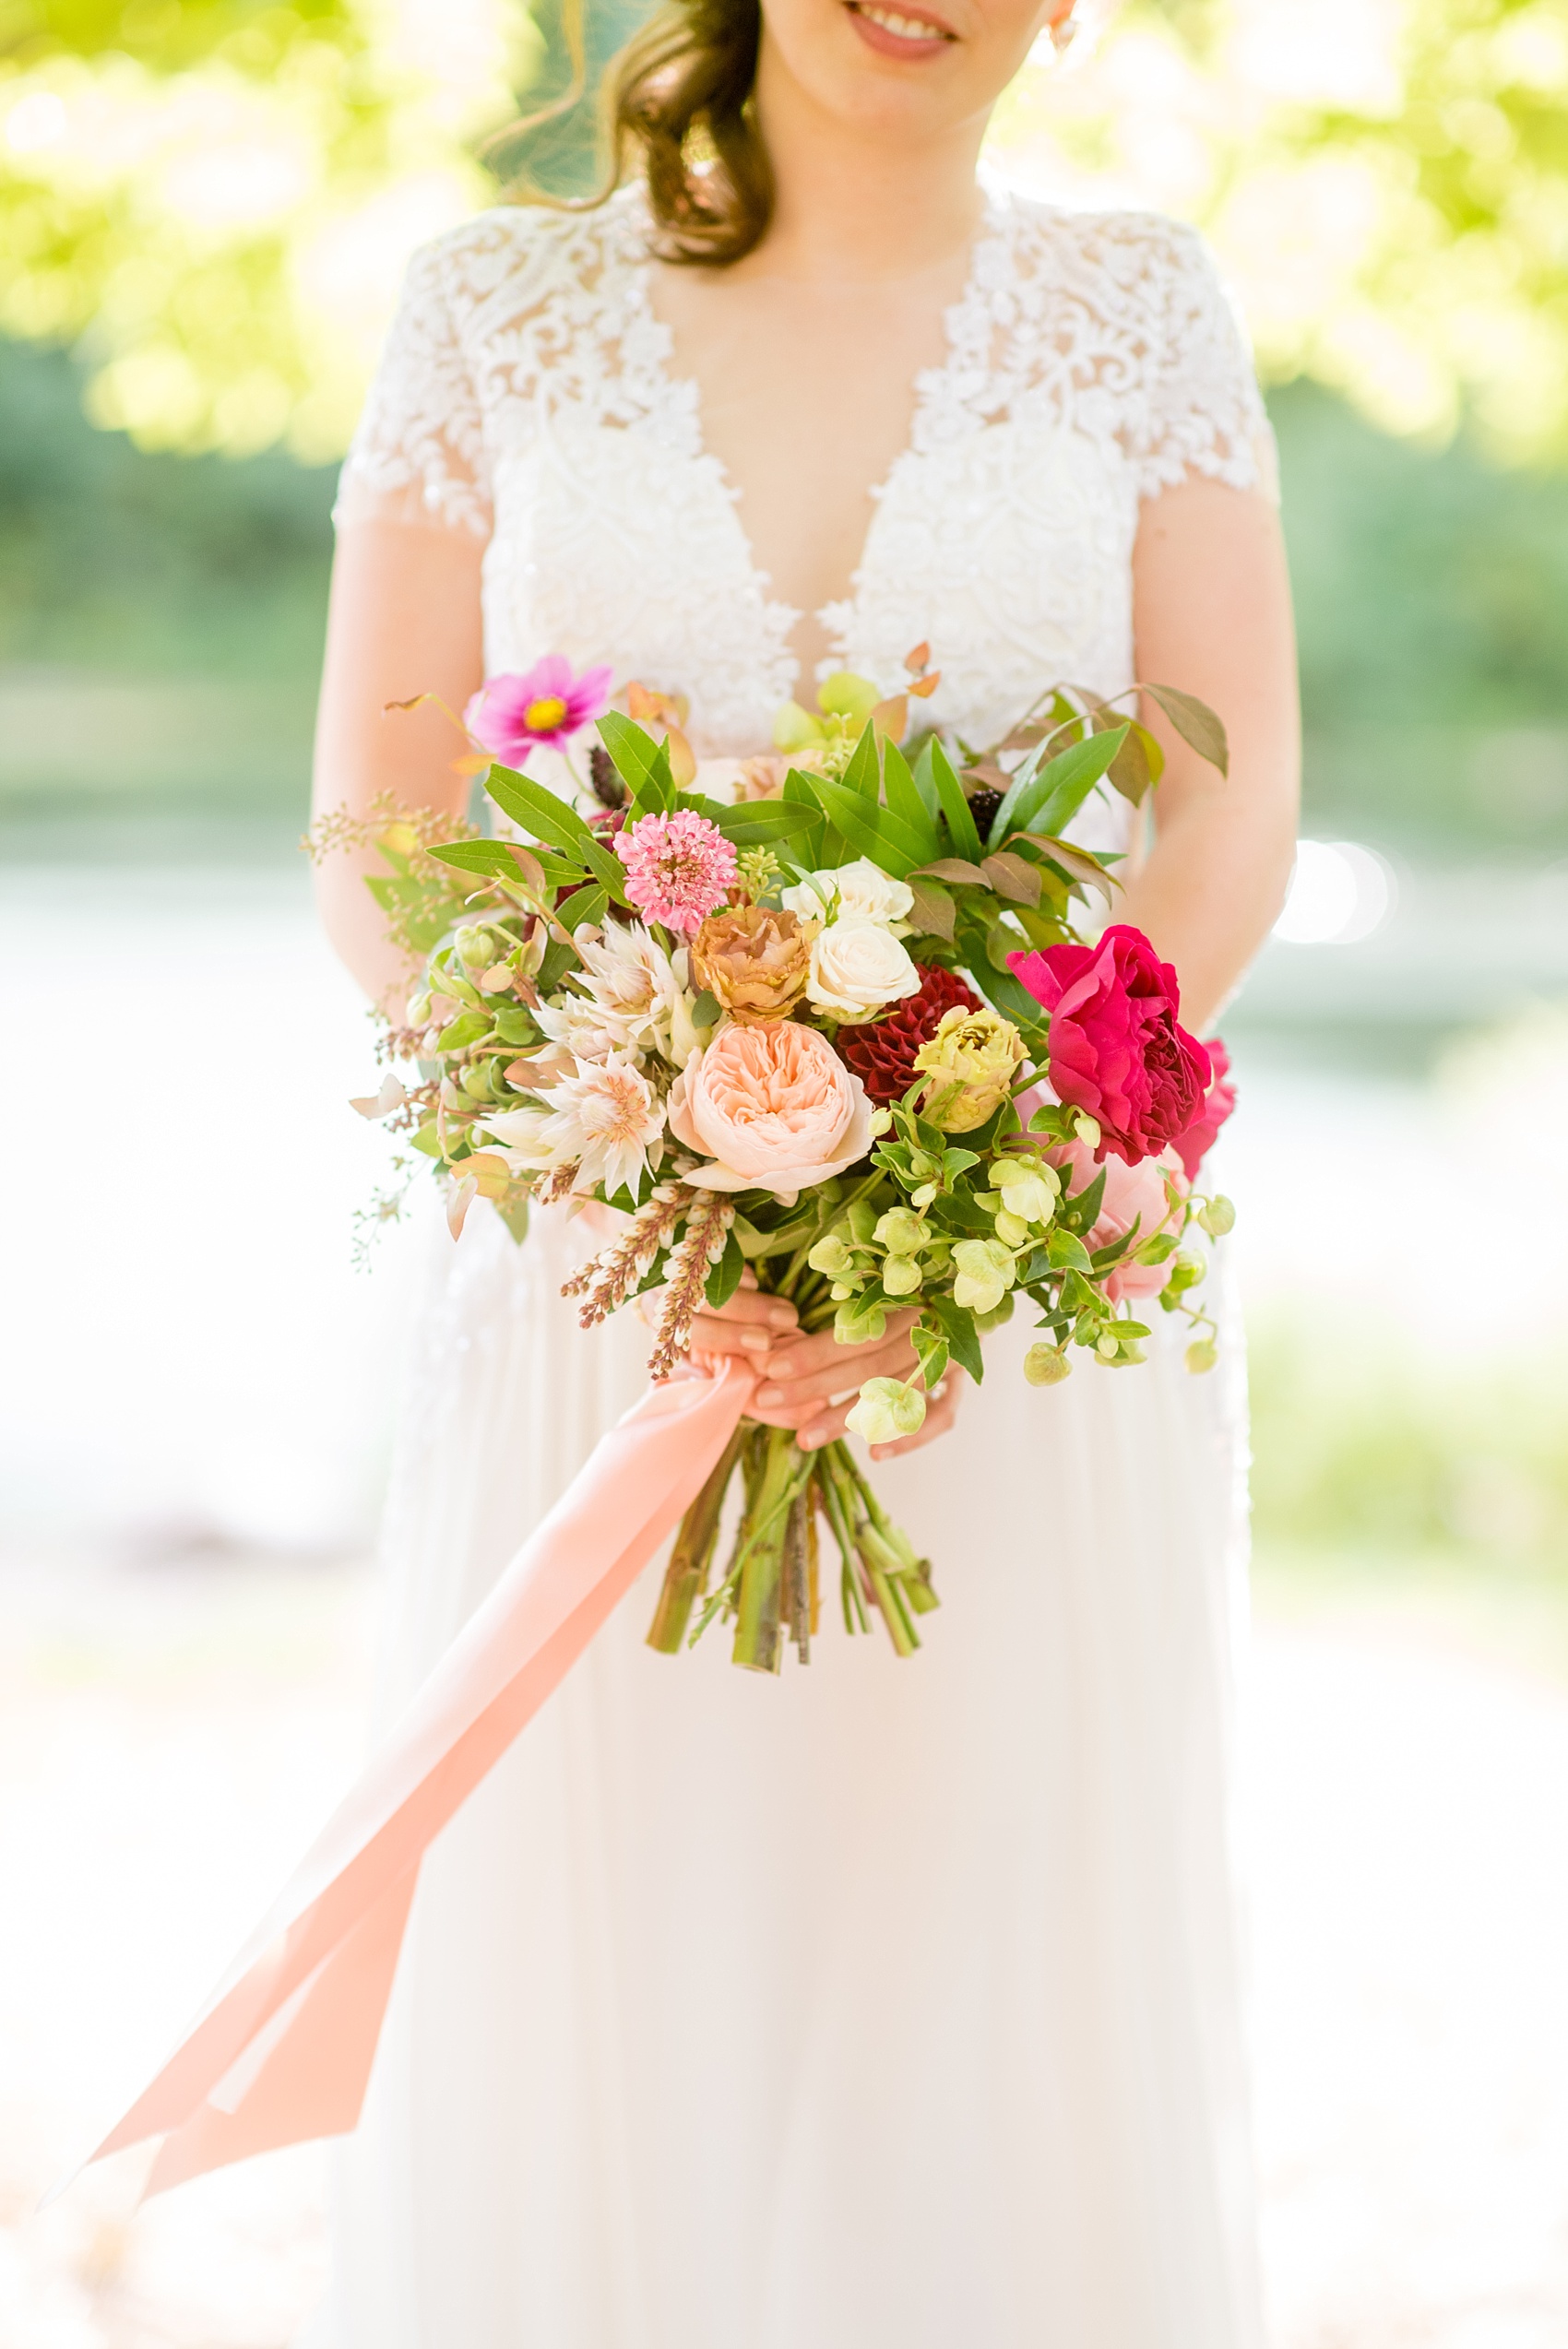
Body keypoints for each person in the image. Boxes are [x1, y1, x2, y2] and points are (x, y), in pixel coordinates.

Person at [306, 0, 1300, 2334]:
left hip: (1015, 1302)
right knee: (614, 1935)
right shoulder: (495, 307)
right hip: (600, 1272)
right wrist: (613, 1148)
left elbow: (1228, 800)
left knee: (980, 1952)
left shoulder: (1140, 308)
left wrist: (1008, 1188)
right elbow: (384, 828)